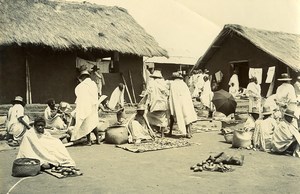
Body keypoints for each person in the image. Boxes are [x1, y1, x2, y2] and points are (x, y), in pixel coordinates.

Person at [69, 69, 100, 145]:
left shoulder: (82, 86)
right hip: (93, 107)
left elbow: (79, 95)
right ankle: (98, 140)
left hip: (85, 107)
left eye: (82, 77)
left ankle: (89, 141)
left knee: (87, 124)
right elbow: (95, 95)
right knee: (93, 123)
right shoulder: (93, 84)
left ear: (84, 77)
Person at [168, 72, 197, 138]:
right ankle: (189, 132)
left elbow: (172, 95)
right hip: (186, 102)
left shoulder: (173, 84)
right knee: (187, 116)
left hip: (177, 102)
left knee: (173, 117)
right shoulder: (183, 84)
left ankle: (170, 132)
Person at [145, 70, 169, 137]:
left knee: (150, 117)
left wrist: (148, 103)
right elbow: (167, 93)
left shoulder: (151, 84)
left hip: (154, 104)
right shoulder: (163, 84)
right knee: (162, 118)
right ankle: (162, 134)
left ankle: (152, 132)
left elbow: (148, 94)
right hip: (162, 104)